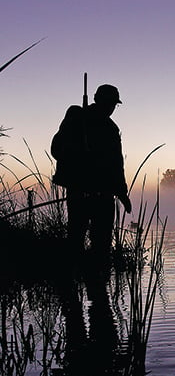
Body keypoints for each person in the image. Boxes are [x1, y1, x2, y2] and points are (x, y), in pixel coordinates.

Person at [51, 84, 131, 267]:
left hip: (104, 197)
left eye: (113, 104)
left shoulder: (111, 129)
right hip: (79, 193)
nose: (110, 108)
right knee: (75, 242)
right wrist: (78, 152)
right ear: (97, 100)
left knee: (102, 249)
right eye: (108, 103)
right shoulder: (76, 118)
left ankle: (97, 289)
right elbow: (56, 149)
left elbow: (117, 164)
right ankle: (72, 287)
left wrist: (122, 194)